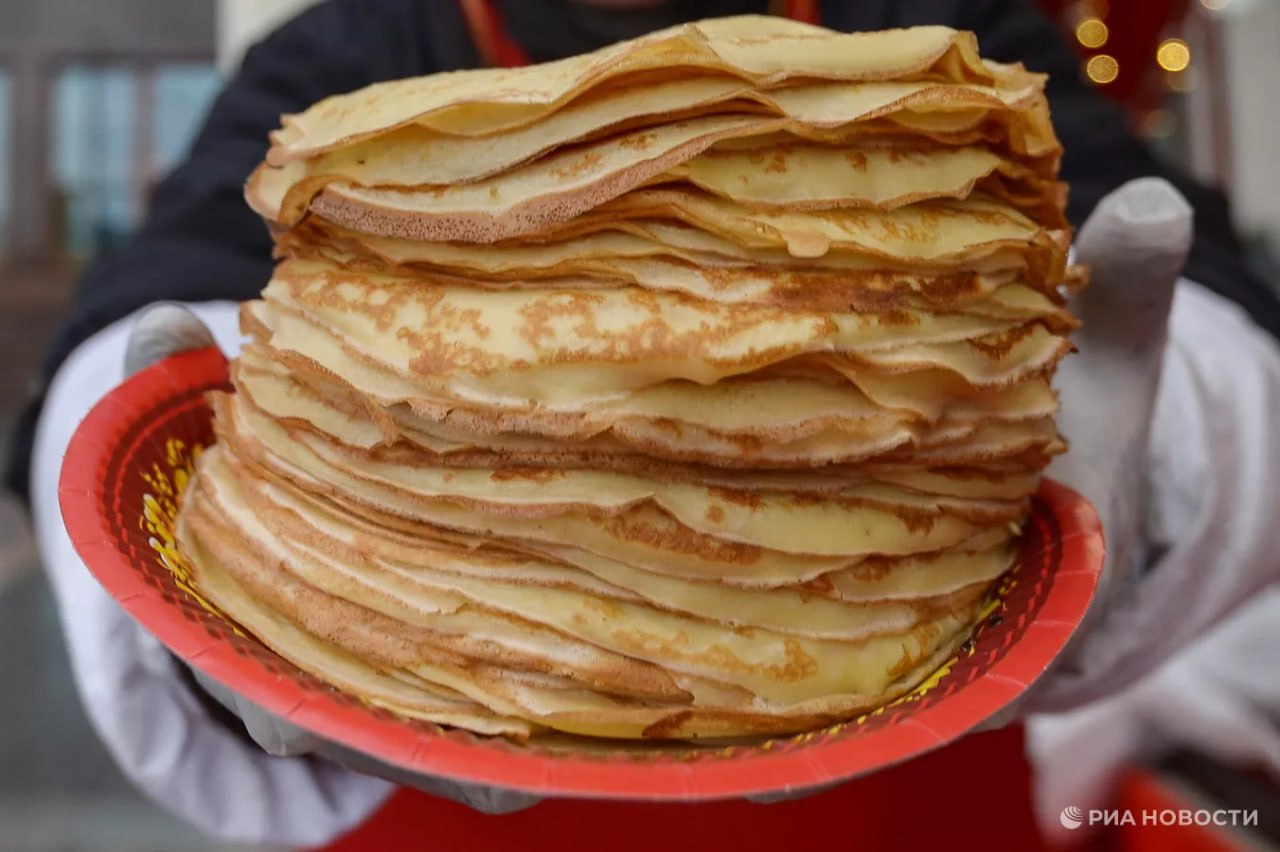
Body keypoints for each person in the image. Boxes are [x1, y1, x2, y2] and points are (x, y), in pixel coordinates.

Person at [7, 1, 1280, 849]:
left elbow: (1196, 281)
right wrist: (246, 590)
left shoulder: (936, 32)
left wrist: (1164, 459)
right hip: (426, 769)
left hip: (907, 750)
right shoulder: (347, 46)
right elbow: (149, 293)